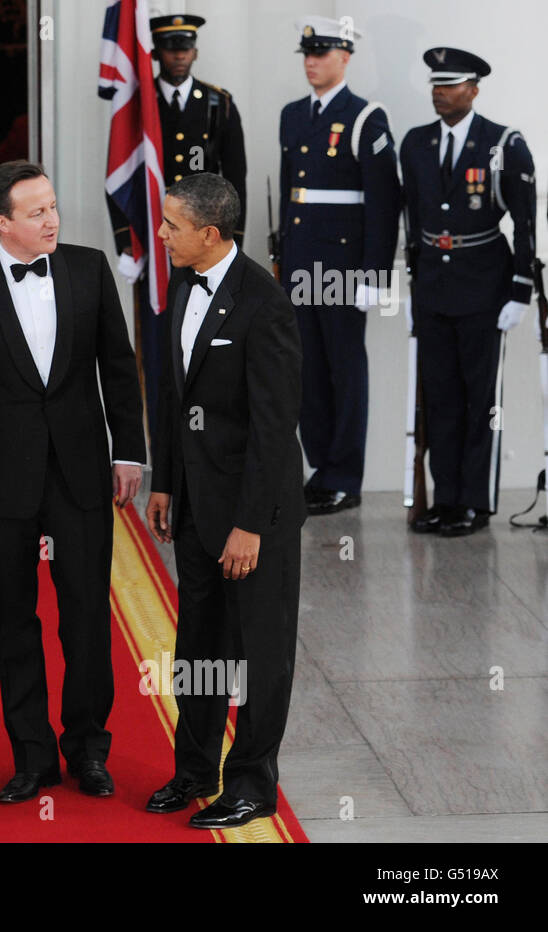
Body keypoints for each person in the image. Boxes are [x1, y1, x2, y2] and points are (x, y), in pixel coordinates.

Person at [0, 160, 144, 804]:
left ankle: (89, 751)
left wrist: (129, 452)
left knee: (85, 619)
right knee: (13, 623)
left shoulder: (87, 267)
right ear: (1, 223)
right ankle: (32, 757)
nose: (52, 219)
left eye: (53, 206)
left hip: (81, 470)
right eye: (36, 212)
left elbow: (118, 363)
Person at [145, 173, 305, 829]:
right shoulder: (182, 285)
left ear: (209, 234)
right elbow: (174, 400)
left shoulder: (264, 305)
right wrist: (165, 482)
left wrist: (249, 526)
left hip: (250, 517)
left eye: (171, 225)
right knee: (200, 650)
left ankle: (251, 784)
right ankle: (194, 770)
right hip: (193, 508)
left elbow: (274, 428)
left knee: (262, 653)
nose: (161, 234)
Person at [401, 48, 535, 537]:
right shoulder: (415, 143)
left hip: (485, 288)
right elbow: (413, 218)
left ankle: (476, 503)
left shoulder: (503, 144)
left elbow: (524, 223)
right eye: (436, 84)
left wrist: (520, 290)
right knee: (440, 400)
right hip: (434, 288)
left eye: (451, 84)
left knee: (482, 402)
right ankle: (446, 499)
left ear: (474, 89)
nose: (440, 92)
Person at [279, 15, 400, 515]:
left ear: (345, 57)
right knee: (306, 368)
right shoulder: (292, 114)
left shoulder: (365, 116)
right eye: (307, 53)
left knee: (345, 370)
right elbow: (291, 193)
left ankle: (345, 477)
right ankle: (320, 470)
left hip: (344, 267)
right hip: (302, 261)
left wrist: (376, 275)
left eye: (322, 53)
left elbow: (385, 201)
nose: (312, 61)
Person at [106, 13, 247, 438]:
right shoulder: (139, 105)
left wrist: (229, 244)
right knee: (159, 344)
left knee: (208, 341)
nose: (179, 54)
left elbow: (234, 178)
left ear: (196, 51)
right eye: (170, 47)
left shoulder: (218, 103)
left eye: (185, 46)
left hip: (206, 243)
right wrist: (125, 246)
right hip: (156, 241)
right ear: (158, 53)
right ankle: (163, 437)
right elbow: (121, 177)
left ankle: (204, 434)